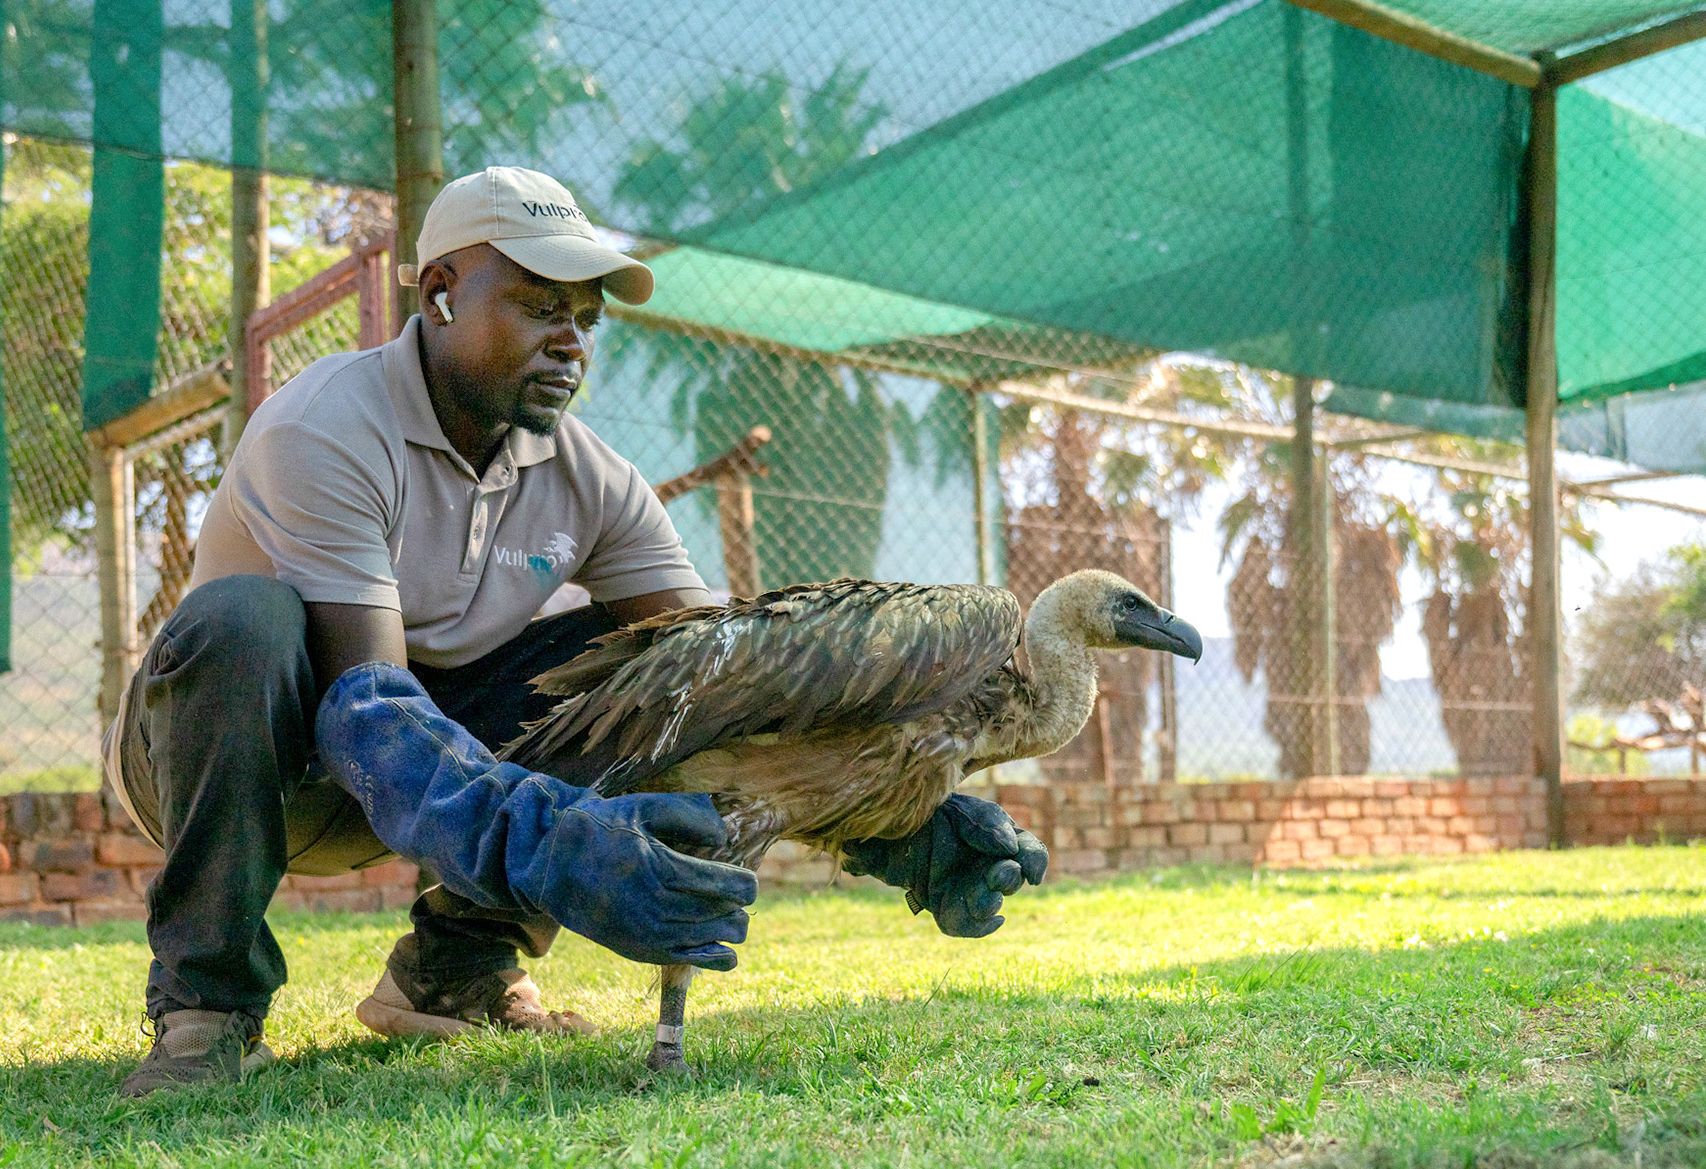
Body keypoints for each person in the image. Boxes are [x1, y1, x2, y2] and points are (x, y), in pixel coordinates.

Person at [104, 166, 1048, 1098]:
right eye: (540, 307)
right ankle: (208, 1009)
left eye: (585, 319)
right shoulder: (324, 426)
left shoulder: (596, 479)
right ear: (439, 293)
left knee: (654, 667)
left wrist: (901, 819)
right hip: (240, 764)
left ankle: (453, 973)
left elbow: (727, 687)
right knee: (245, 619)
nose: (571, 342)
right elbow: (365, 716)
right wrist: (555, 846)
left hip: (420, 770)